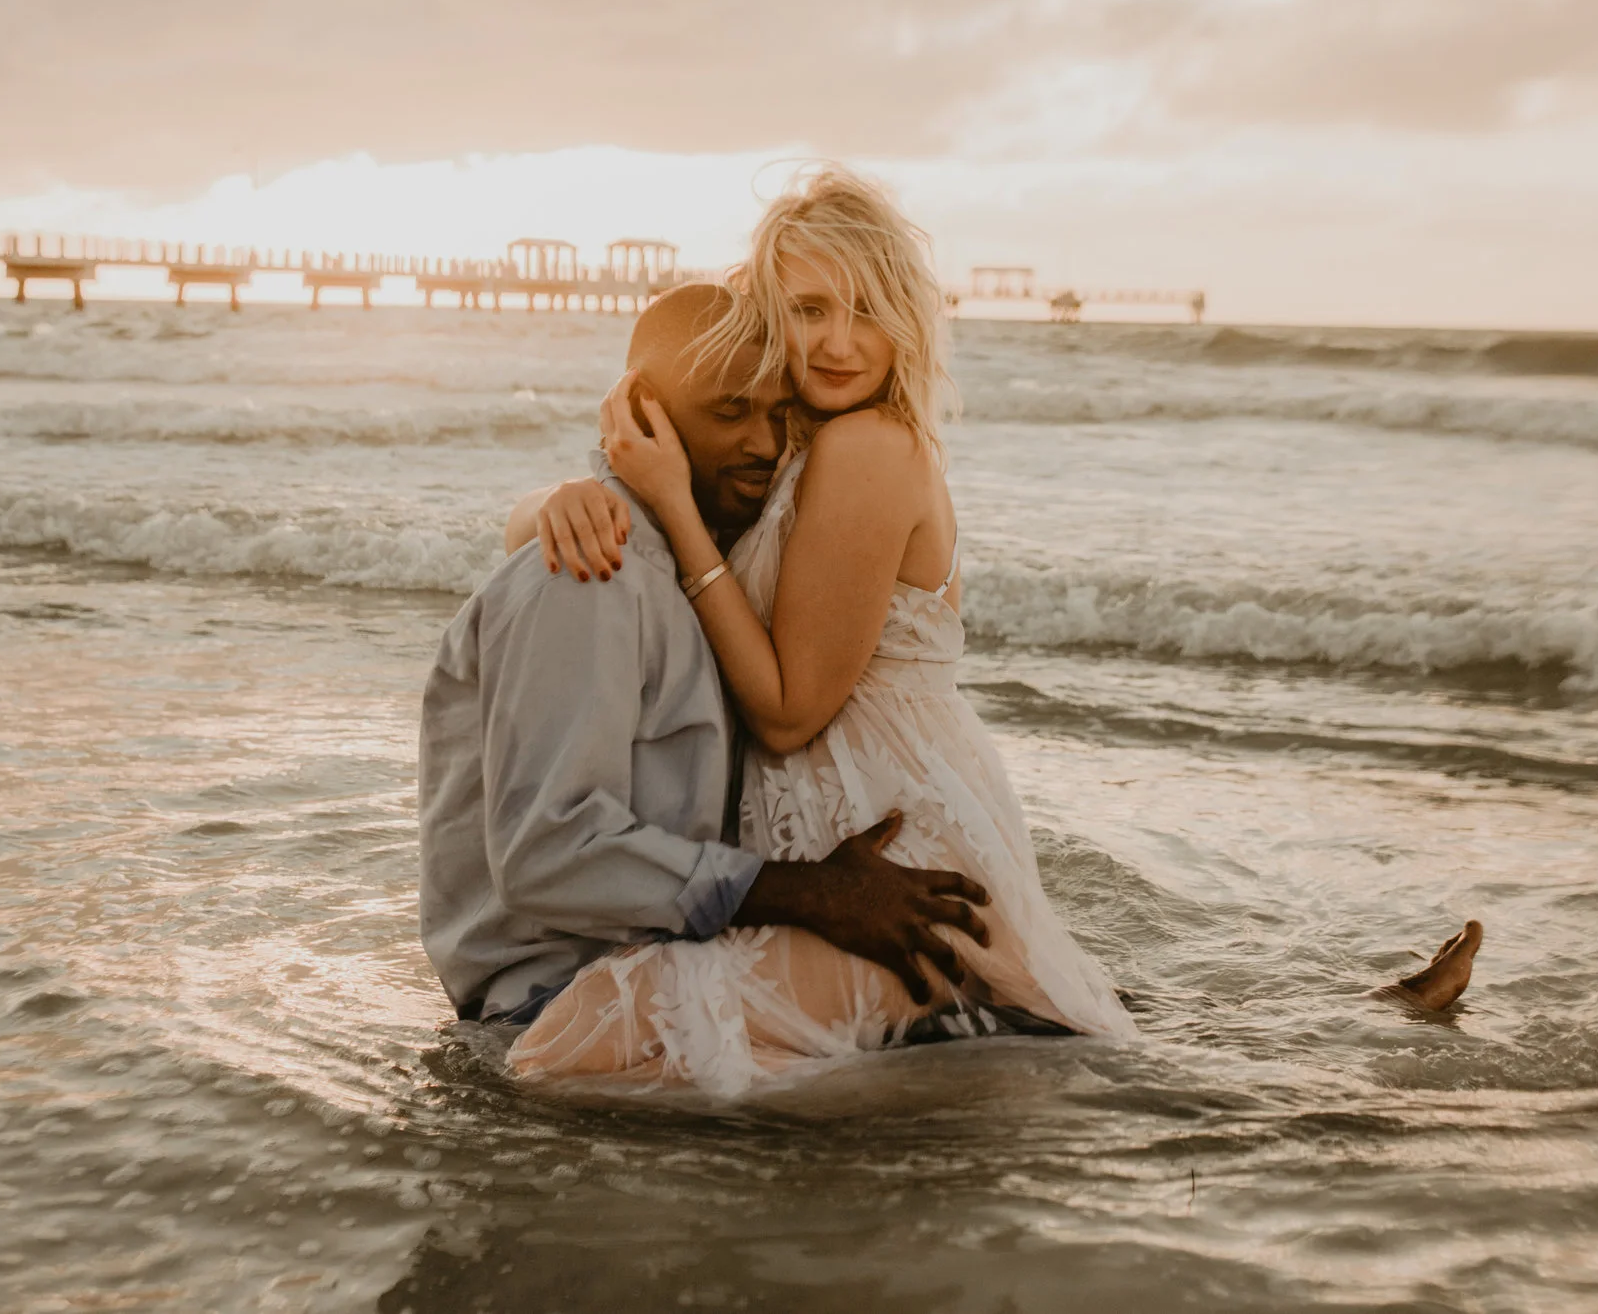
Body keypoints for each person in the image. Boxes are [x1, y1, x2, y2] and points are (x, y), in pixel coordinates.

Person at [509, 166, 1483, 1089]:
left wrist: (672, 512)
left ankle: (1369, 1074)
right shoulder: (791, 443)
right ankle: (1371, 1014)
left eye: (867, 311)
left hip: (897, 851)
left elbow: (789, 711)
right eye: (808, 310)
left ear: (908, 323)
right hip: (872, 837)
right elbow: (589, 527)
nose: (838, 342)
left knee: (585, 1038)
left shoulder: (867, 447)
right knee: (1061, 1022)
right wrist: (561, 498)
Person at [416, 283, 996, 1058]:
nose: (763, 444)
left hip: (662, 956)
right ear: (643, 413)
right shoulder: (589, 573)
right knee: (959, 1028)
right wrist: (810, 893)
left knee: (975, 993)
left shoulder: (706, 564)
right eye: (730, 413)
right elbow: (547, 853)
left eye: (781, 413)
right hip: (552, 1003)